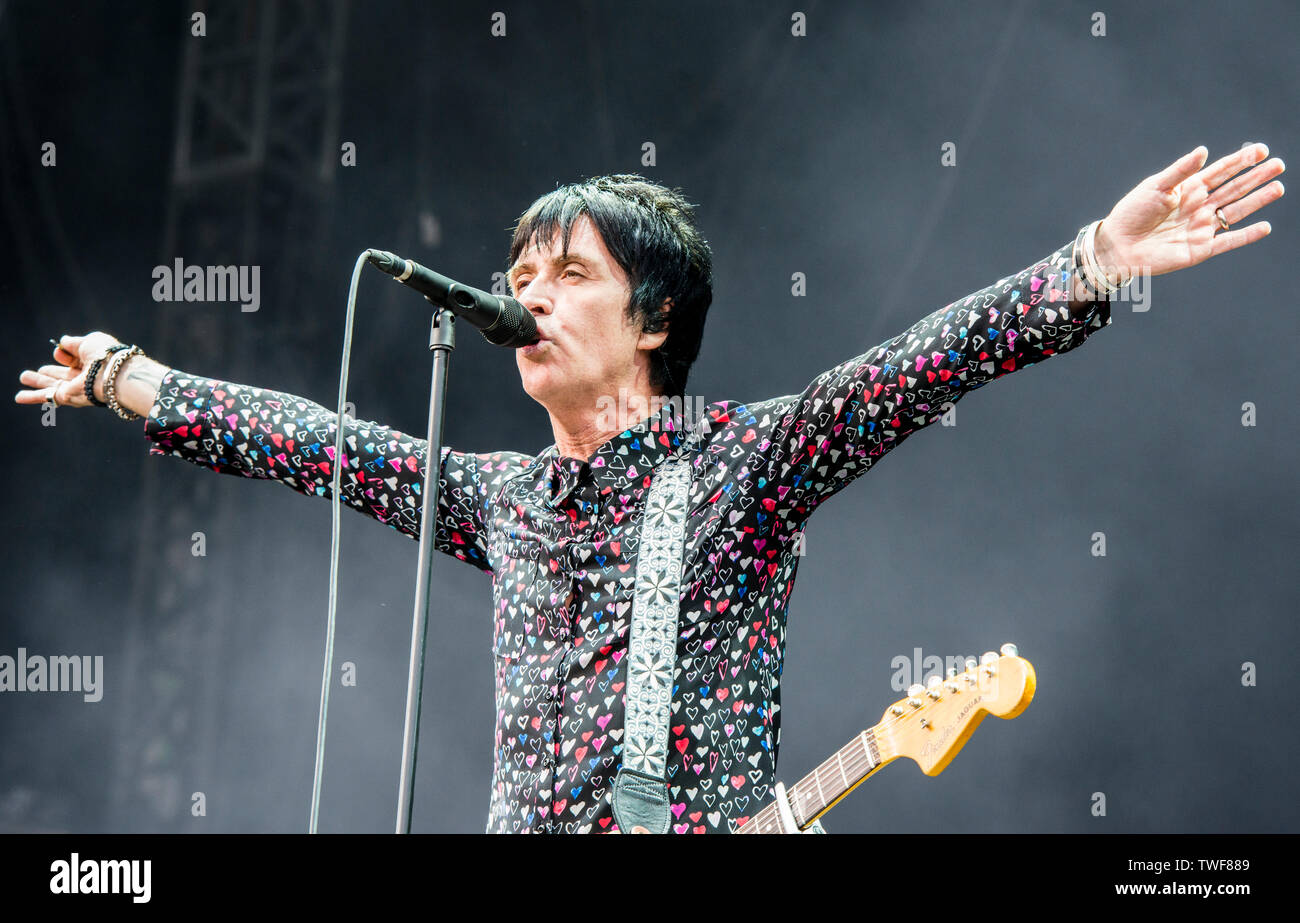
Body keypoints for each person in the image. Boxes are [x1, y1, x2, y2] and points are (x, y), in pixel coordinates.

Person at [15, 147, 1284, 833]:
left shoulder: (745, 460)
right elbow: (313, 439)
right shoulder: (503, 497)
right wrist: (130, 374)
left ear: (653, 312)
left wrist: (1093, 263)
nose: (529, 294)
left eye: (566, 271)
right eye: (520, 271)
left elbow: (914, 368)